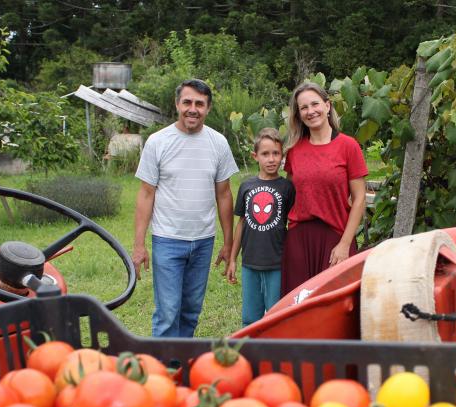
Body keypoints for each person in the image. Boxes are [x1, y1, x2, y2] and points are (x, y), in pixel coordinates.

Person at [132, 79, 238, 337]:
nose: (193, 109)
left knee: (191, 311)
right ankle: (163, 362)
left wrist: (228, 243)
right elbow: (146, 194)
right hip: (167, 240)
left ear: (208, 108)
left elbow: (224, 195)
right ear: (177, 104)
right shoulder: (158, 142)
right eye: (187, 102)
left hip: (203, 241)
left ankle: (182, 358)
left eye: (199, 104)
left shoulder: (218, 143)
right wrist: (139, 245)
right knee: (168, 313)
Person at [280, 82, 369, 300]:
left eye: (315, 104)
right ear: (299, 115)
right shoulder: (294, 150)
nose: (310, 111)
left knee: (337, 305)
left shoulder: (348, 146)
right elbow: (290, 194)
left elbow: (359, 199)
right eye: (304, 107)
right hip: (299, 241)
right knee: (297, 306)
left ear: (327, 106)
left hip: (336, 238)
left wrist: (344, 244)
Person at [225, 128, 295, 326]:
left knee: (276, 316)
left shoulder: (287, 187)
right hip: (250, 262)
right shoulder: (246, 186)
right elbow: (242, 223)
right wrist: (233, 259)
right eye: (265, 154)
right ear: (255, 156)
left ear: (282, 155)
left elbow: (293, 222)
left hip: (277, 263)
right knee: (250, 318)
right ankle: (250, 346)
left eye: (276, 153)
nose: (271, 159)